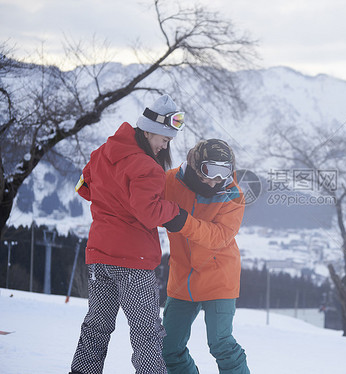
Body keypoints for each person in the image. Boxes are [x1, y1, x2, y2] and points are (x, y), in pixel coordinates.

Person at [70, 94, 188, 374]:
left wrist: (111, 201)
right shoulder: (147, 167)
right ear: (148, 131)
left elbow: (83, 187)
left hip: (100, 257)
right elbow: (149, 212)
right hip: (133, 263)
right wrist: (176, 212)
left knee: (96, 326)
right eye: (164, 139)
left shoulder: (102, 152)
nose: (164, 146)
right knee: (146, 333)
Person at [161, 139, 250, 374]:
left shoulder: (232, 195)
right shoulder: (170, 181)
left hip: (219, 277)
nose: (215, 181)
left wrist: (183, 221)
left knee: (221, 345)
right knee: (168, 347)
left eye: (224, 173)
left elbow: (219, 236)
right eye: (209, 172)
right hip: (182, 276)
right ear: (195, 164)